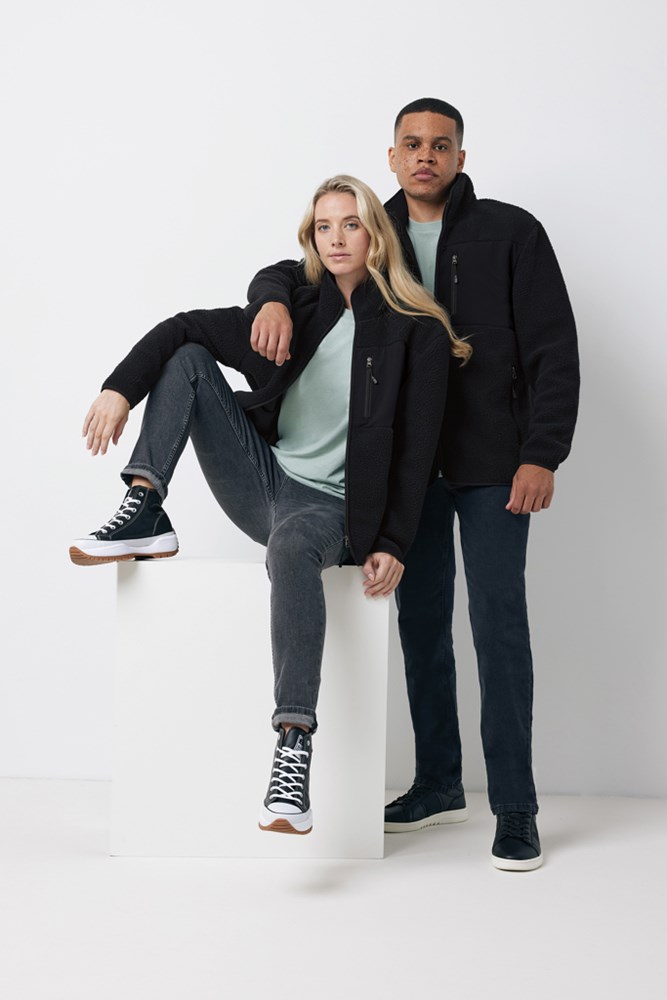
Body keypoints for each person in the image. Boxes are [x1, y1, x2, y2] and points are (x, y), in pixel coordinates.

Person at [70, 174, 471, 837]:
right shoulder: (298, 310)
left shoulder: (416, 331)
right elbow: (182, 328)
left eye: (350, 224)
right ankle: (144, 505)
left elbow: (417, 453)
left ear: (376, 234)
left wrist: (393, 541)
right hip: (265, 481)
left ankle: (292, 749)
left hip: (336, 511)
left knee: (290, 548)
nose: (336, 238)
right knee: (190, 357)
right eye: (323, 227)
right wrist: (119, 389)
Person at [247, 100, 580, 869]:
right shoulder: (372, 229)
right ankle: (437, 784)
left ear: (459, 157)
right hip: (403, 468)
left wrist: (542, 452)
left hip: (493, 466)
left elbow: (552, 349)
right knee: (420, 624)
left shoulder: (510, 232)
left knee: (497, 625)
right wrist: (269, 297)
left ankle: (516, 808)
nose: (424, 155)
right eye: (411, 145)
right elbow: (294, 268)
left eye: (439, 145)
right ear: (392, 158)